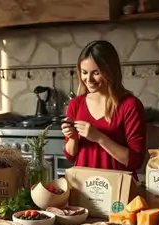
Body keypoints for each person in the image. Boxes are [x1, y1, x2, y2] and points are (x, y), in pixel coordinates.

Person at [61, 40, 146, 177]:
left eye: (96, 73)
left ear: (110, 71)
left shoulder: (130, 105)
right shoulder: (75, 104)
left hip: (118, 189)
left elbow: (135, 161)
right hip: (84, 187)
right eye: (84, 72)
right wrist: (73, 138)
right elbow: (71, 157)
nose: (88, 79)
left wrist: (99, 138)